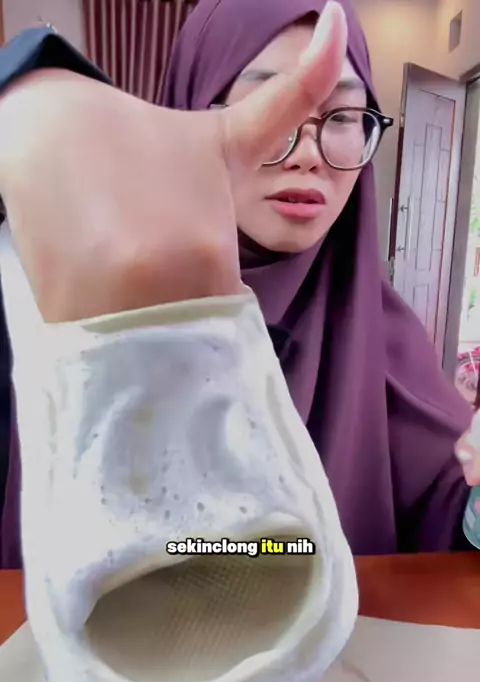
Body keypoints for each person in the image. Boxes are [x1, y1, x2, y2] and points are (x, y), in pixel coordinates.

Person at [0, 0, 474, 566]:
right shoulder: (77, 300)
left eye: (343, 116)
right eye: (265, 102)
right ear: (188, 112)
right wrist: (23, 85)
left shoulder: (388, 338)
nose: (307, 154)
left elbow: (447, 517)